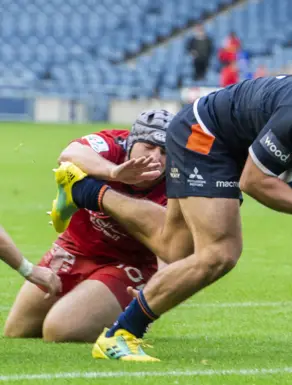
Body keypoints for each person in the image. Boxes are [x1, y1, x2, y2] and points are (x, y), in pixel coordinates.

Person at [49, 60, 292, 361]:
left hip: (226, 137)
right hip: (205, 135)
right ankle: (120, 335)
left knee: (176, 250)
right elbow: (254, 181)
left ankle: (84, 190)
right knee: (220, 254)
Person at [4, 110, 172, 342]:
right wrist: (113, 172)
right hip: (76, 247)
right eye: (148, 147)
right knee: (16, 331)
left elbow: (169, 245)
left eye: (164, 152)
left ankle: (116, 313)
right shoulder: (113, 145)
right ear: (131, 142)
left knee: (59, 330)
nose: (156, 157)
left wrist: (153, 295)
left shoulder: (175, 183)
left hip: (129, 264)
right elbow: (69, 154)